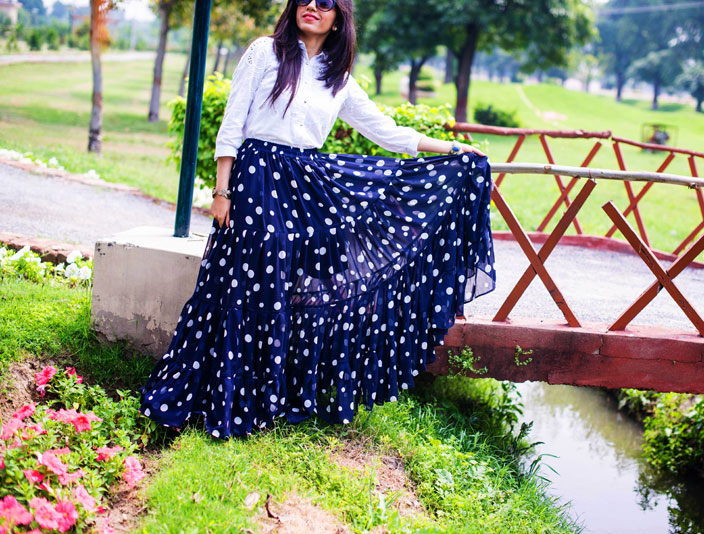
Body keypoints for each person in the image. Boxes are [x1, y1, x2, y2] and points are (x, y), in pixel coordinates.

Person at [139, 0, 496, 439]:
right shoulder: (265, 52)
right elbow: (232, 124)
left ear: (338, 18)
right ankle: (218, 395)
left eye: (325, 2)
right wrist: (222, 191)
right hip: (256, 178)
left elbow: (385, 131)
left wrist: (451, 149)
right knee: (243, 288)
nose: (312, 6)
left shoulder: (337, 76)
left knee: (286, 290)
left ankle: (265, 398)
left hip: (303, 187)